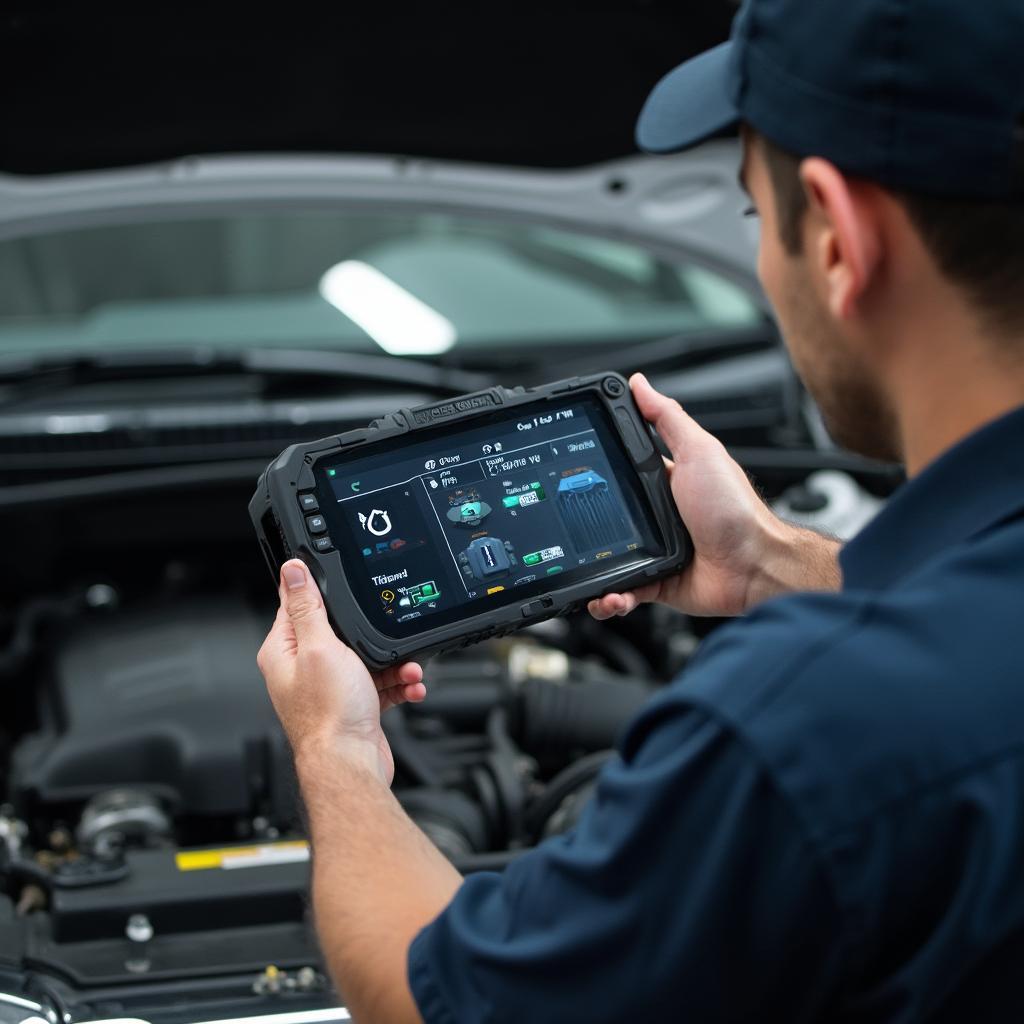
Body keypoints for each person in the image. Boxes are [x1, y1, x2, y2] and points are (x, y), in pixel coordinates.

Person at [256, 0, 1024, 1018]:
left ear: (836, 239)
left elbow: (431, 999)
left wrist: (335, 753)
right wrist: (768, 559)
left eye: (755, 215)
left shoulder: (805, 734)